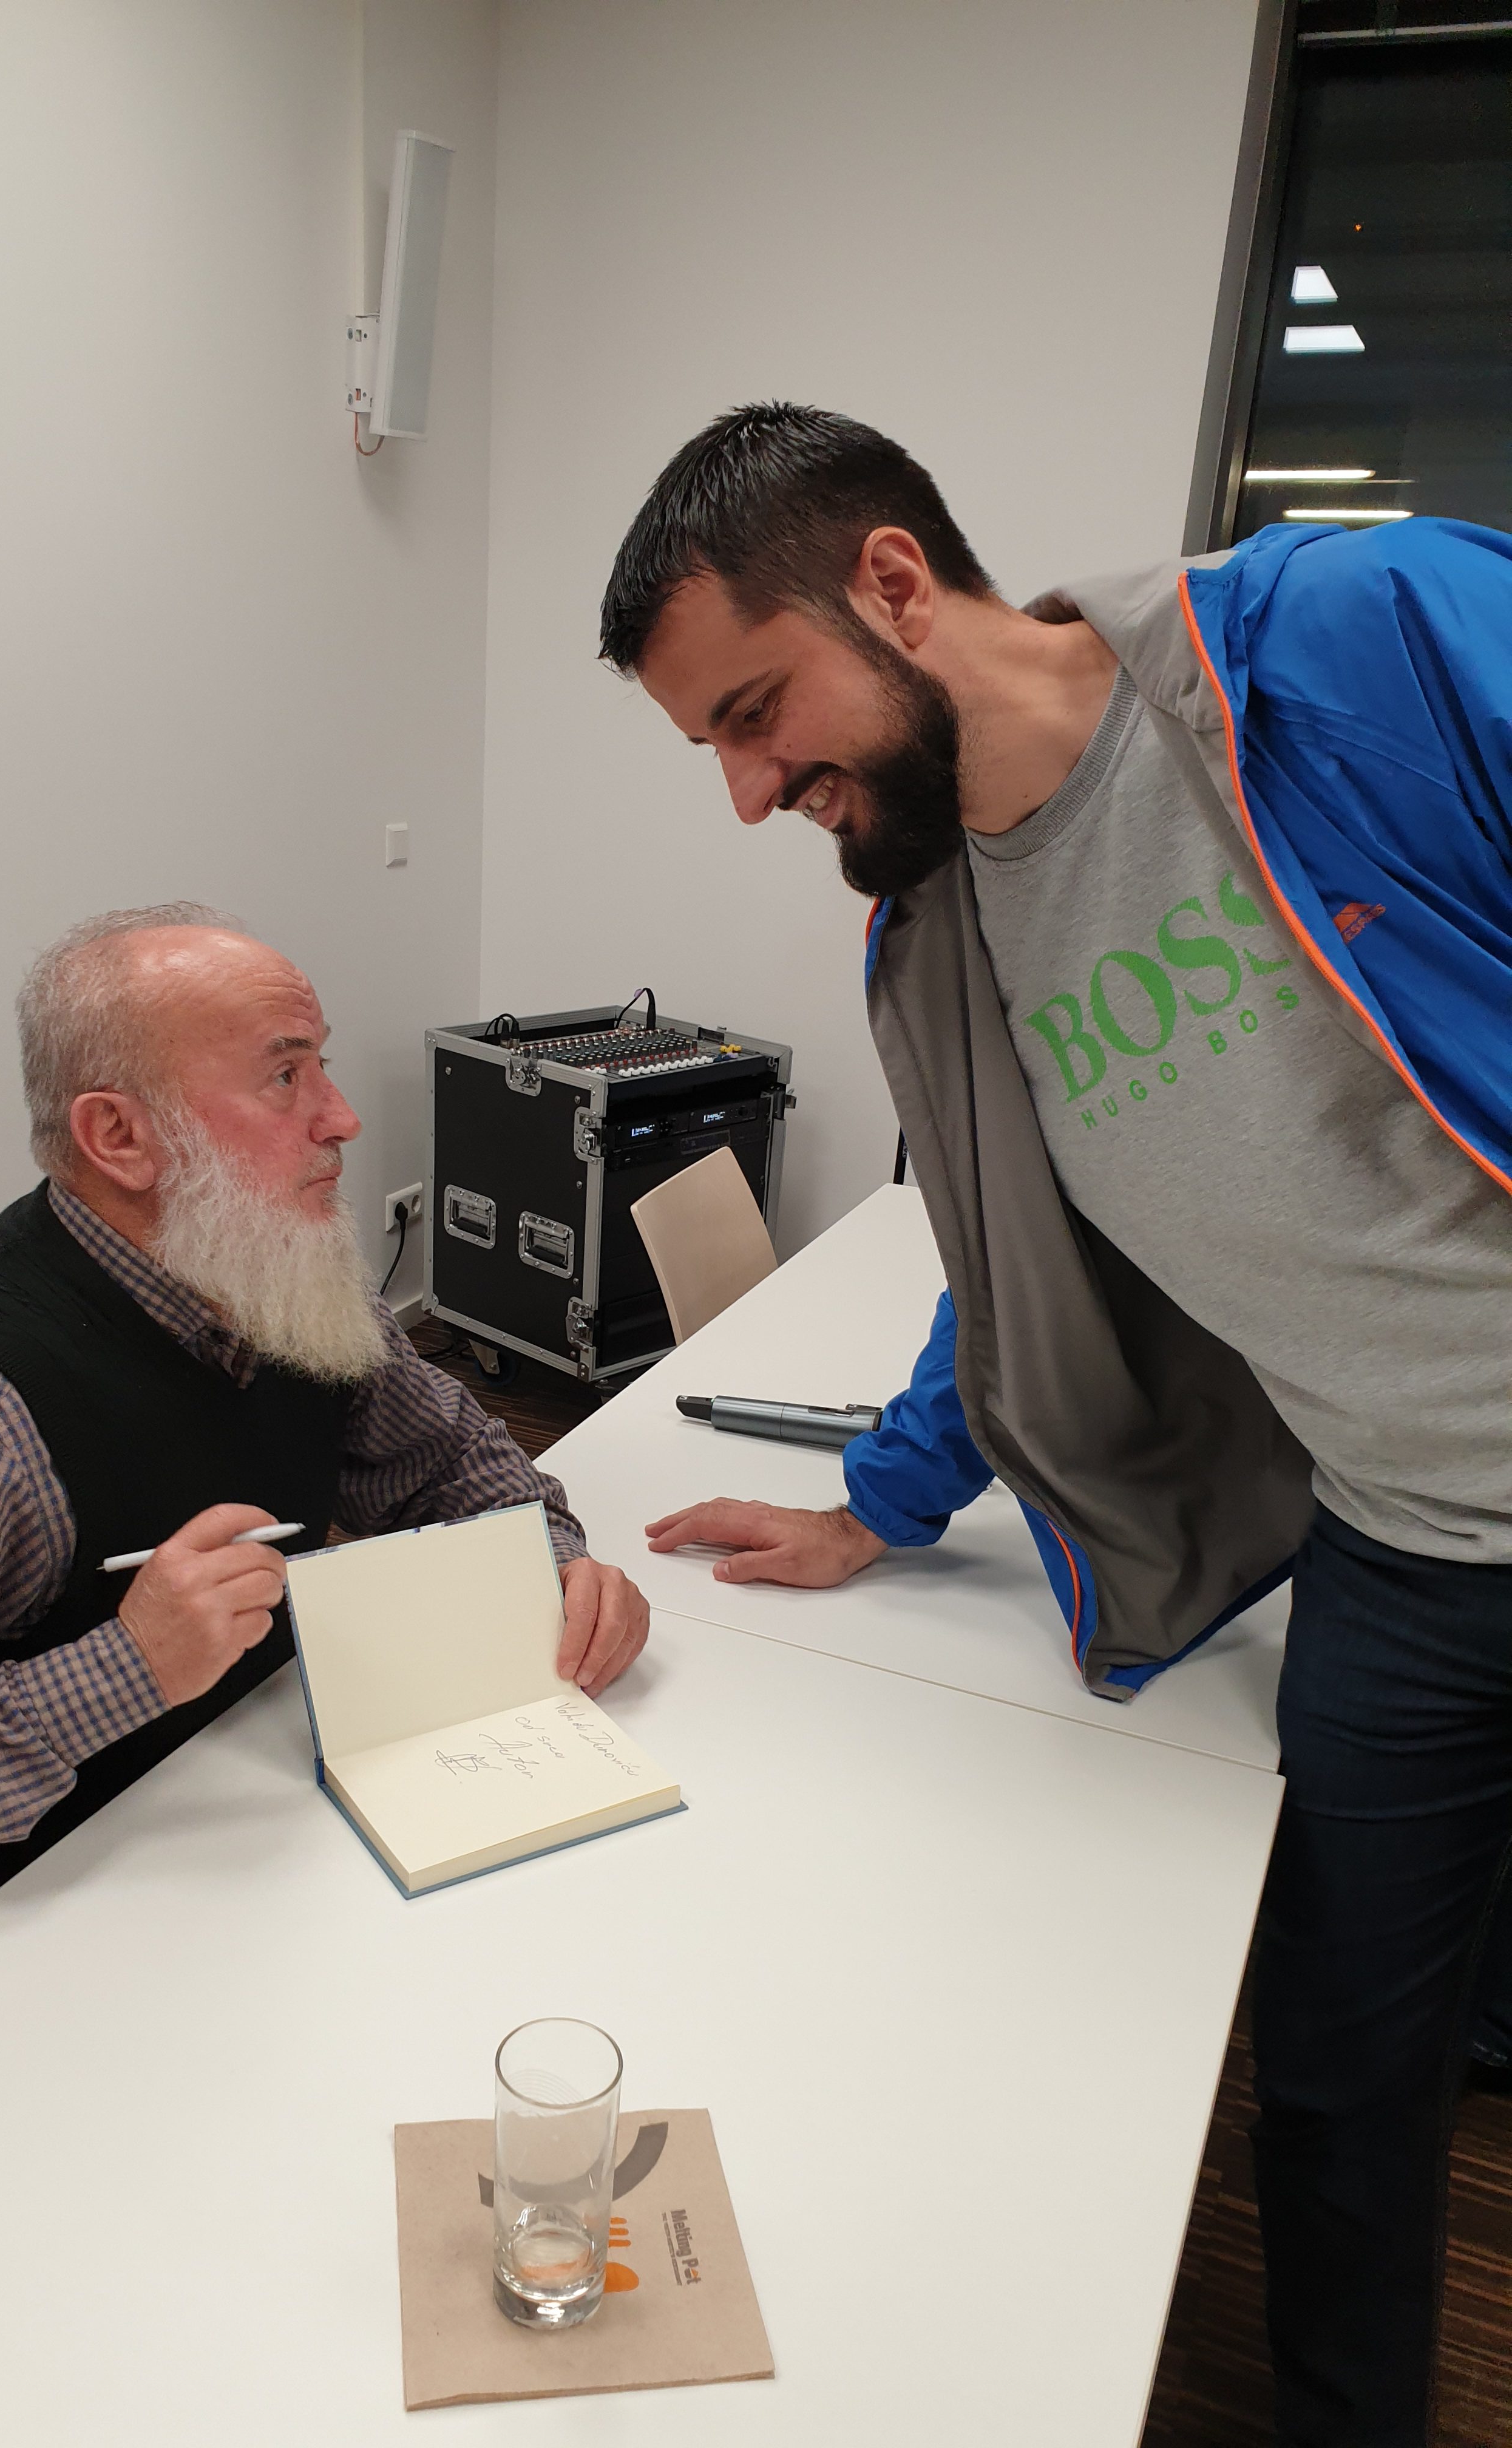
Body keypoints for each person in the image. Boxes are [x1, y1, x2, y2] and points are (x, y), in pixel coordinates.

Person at [598, 406, 1511, 2448]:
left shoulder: (1349, 638)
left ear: (894, 584)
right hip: (1400, 1551)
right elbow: (1010, 1258)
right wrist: (882, 1500)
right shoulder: (937, 926)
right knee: (1336, 2086)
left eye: (755, 712)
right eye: (712, 750)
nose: (748, 791)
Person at [0, 905, 648, 2015]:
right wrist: (126, 1667)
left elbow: (447, 1460)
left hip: (228, 1834)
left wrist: (550, 1559)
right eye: (284, 1078)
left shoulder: (269, 1271)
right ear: (120, 1138)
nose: (342, 1118)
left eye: (321, 1067)